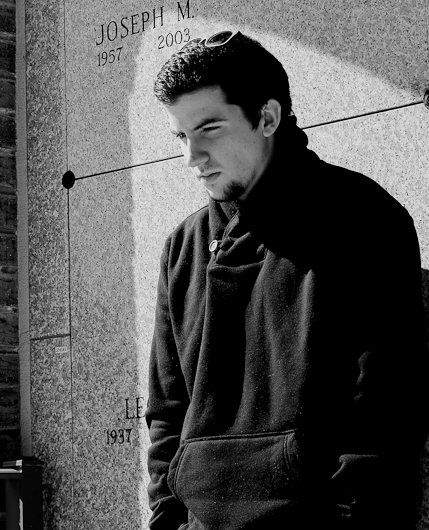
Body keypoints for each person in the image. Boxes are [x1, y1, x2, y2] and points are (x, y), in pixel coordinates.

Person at [146, 30, 429, 530]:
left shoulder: (363, 219)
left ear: (268, 118)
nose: (191, 157)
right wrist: (167, 521)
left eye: (209, 129)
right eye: (181, 137)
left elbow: (384, 413)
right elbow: (168, 412)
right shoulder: (183, 247)